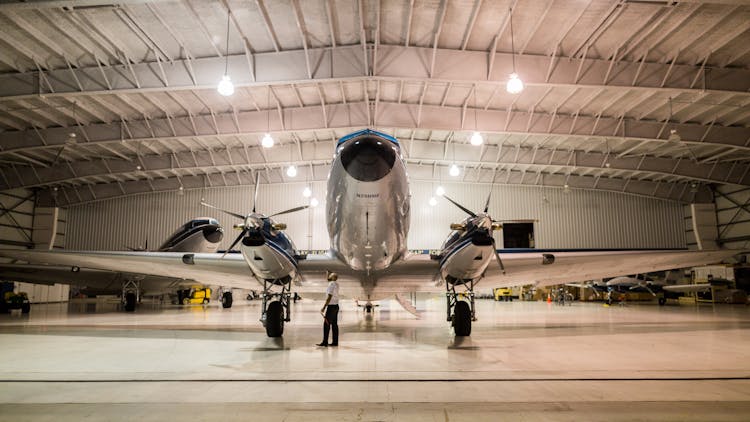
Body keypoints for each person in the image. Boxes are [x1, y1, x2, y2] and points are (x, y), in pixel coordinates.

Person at [317, 271, 340, 347]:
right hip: (336, 306)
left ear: (333, 277)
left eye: (331, 275)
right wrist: (328, 274)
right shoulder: (336, 284)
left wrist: (324, 307)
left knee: (326, 324)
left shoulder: (331, 284)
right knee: (334, 325)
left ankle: (325, 342)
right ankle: (335, 342)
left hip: (331, 307)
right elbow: (328, 279)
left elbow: (329, 297)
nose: (329, 276)